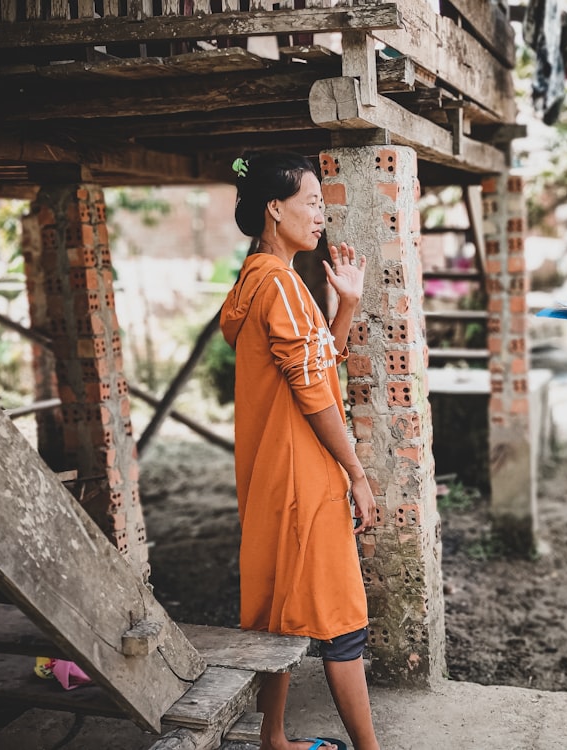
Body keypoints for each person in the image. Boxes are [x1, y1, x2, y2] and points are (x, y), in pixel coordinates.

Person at [219, 152, 381, 750]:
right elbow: (315, 393)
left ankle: (274, 739)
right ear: (274, 208)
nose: (321, 216)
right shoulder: (282, 286)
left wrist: (347, 308)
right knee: (339, 619)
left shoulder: (255, 278)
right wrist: (356, 473)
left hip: (269, 475)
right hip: (302, 474)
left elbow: (316, 369)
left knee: (276, 608)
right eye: (312, 203)